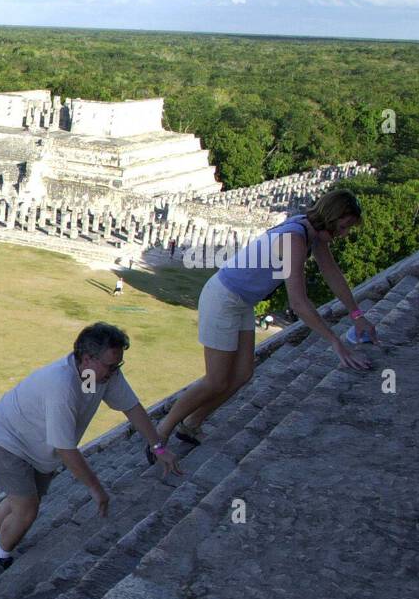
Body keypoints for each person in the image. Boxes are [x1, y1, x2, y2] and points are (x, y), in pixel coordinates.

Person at [153, 190, 372, 451]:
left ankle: (191, 423)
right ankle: (161, 432)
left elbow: (332, 274)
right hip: (223, 298)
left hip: (241, 301)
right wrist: (336, 343)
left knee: (243, 373)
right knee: (216, 380)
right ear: (330, 217)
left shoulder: (310, 234)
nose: (345, 234)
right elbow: (298, 303)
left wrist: (357, 316)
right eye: (344, 226)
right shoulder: (295, 238)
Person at [0, 323, 182, 575]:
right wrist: (96, 489)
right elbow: (66, 449)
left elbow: (131, 407)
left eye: (118, 366)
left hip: (33, 440)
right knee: (27, 510)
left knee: (27, 494)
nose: (115, 372)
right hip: (4, 438)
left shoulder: (101, 375)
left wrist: (157, 447)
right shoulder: (62, 386)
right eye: (111, 366)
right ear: (88, 358)